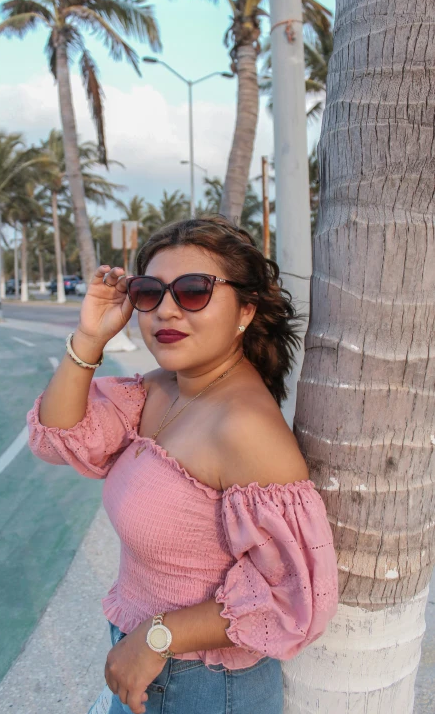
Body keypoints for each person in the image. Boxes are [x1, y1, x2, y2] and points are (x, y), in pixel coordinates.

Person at [27, 215, 338, 714]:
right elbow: (58, 439)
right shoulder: (161, 387)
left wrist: (155, 638)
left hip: (204, 685)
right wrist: (89, 338)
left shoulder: (243, 427)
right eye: (150, 292)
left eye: (194, 291)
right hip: (153, 661)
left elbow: (296, 595)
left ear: (245, 310)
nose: (166, 311)